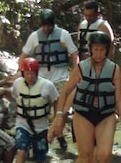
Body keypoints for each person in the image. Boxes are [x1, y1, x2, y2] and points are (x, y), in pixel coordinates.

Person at [50, 32, 121, 163]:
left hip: (106, 115)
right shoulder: (80, 68)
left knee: (105, 154)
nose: (99, 53)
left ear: (107, 50)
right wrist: (59, 115)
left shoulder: (114, 69)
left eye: (102, 49)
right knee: (85, 155)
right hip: (83, 114)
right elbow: (65, 91)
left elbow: (118, 98)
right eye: (95, 49)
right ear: (90, 49)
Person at [19, 8, 78, 153]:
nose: (46, 28)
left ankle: (55, 136)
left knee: (62, 111)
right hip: (42, 79)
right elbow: (24, 55)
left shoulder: (63, 35)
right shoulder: (35, 37)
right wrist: (21, 72)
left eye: (49, 26)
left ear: (53, 24)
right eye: (44, 25)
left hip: (61, 78)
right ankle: (54, 136)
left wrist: (76, 73)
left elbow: (74, 54)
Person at [0, 57, 58, 163]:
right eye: (27, 74)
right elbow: (13, 95)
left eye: (32, 74)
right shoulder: (18, 84)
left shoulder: (47, 86)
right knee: (21, 151)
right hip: (23, 125)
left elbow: (57, 100)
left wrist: (57, 120)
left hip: (41, 127)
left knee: (40, 159)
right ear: (23, 73)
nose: (30, 77)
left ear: (37, 73)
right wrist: (3, 91)